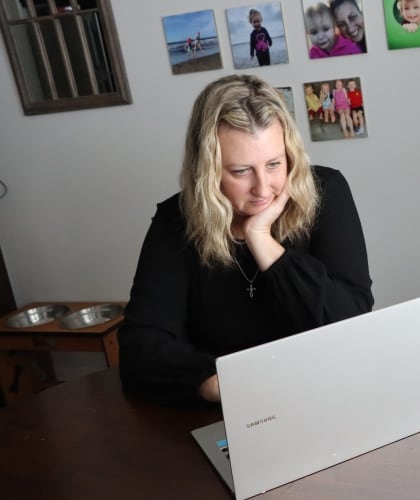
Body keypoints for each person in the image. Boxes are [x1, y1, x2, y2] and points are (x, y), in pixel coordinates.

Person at [118, 74, 373, 405]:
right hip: (224, 406)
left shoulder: (327, 191)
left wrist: (262, 240)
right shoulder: (176, 221)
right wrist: (214, 383)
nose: (263, 188)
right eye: (240, 171)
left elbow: (351, 323)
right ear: (206, 170)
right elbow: (141, 347)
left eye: (274, 164)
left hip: (324, 394)